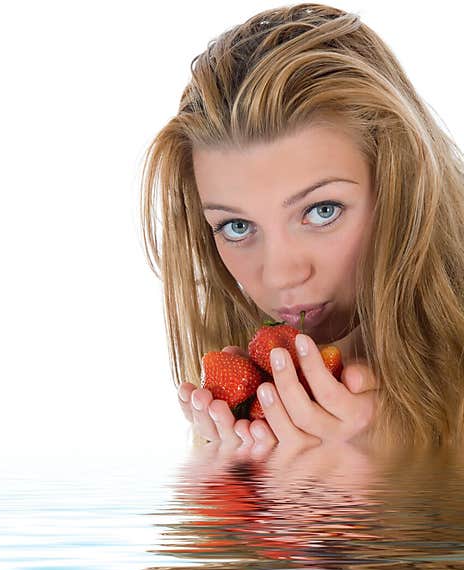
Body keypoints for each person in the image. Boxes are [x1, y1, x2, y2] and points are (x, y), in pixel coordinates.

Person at [138, 3, 464, 448]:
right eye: (236, 226)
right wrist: (242, 488)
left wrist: (405, 468)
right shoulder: (250, 411)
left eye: (322, 210)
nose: (280, 275)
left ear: (400, 186)